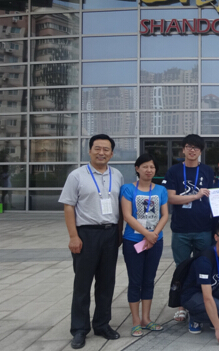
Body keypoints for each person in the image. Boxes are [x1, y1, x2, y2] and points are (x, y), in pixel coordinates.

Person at [59, 134, 124, 349]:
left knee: (106, 283)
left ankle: (102, 324)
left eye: (106, 149)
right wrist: (73, 236)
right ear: (89, 151)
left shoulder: (117, 175)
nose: (101, 153)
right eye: (97, 148)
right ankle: (79, 329)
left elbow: (119, 207)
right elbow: (68, 206)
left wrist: (119, 233)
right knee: (82, 284)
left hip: (110, 234)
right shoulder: (76, 176)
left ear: (111, 154)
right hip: (86, 234)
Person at [164, 134, 214, 322]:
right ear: (183, 149)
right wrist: (195, 196)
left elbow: (213, 196)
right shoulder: (174, 171)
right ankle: (182, 306)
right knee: (182, 268)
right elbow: (170, 198)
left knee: (203, 267)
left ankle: (200, 304)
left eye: (196, 148)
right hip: (181, 229)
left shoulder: (207, 171)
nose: (192, 150)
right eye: (189, 147)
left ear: (200, 151)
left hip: (203, 228)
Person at [121, 154, 169, 337]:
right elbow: (127, 216)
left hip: (155, 241)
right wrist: (147, 234)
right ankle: (135, 321)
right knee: (135, 281)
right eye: (145, 166)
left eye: (152, 167)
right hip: (133, 241)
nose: (149, 170)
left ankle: (146, 319)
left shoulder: (161, 190)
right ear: (137, 168)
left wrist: (153, 234)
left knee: (149, 280)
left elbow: (165, 215)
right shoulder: (127, 189)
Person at [181, 220, 219, 344]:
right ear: (216, 237)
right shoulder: (204, 260)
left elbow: (218, 273)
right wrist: (218, 329)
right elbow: (207, 297)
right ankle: (195, 316)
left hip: (213, 287)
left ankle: (213, 317)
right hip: (193, 295)